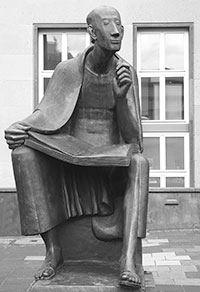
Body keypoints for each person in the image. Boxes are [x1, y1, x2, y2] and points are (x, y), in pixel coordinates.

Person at [5, 6, 149, 289]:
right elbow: (45, 113)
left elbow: (135, 140)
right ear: (93, 32)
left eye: (119, 24)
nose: (116, 30)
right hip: (70, 157)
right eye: (108, 24)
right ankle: (53, 251)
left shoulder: (125, 72)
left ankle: (127, 260)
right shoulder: (67, 70)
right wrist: (20, 127)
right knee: (23, 154)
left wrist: (121, 100)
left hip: (109, 161)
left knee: (140, 163)